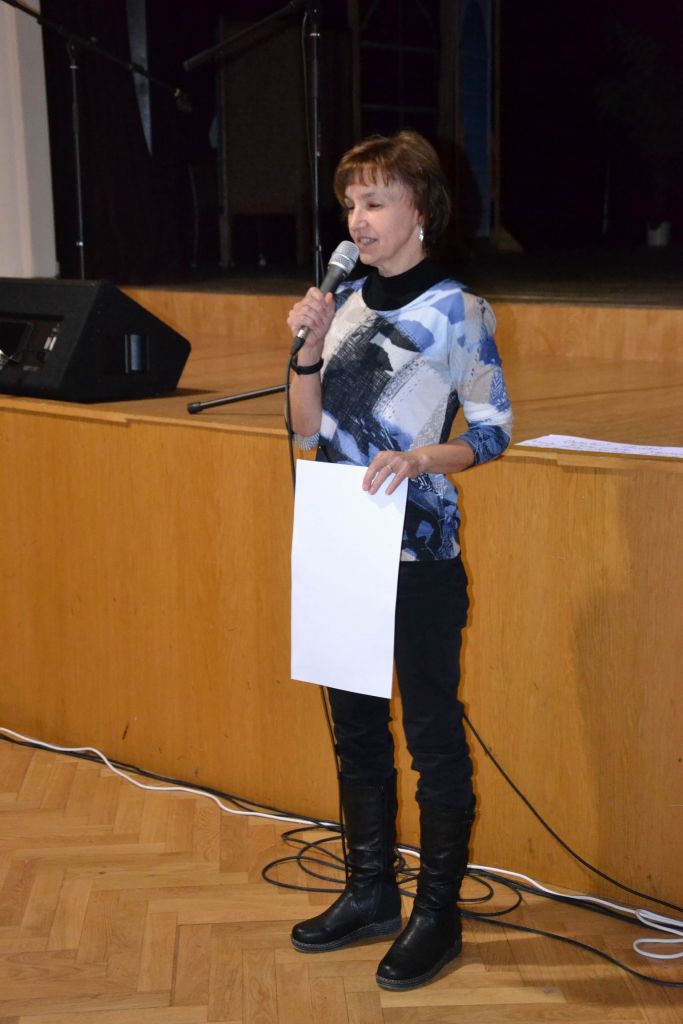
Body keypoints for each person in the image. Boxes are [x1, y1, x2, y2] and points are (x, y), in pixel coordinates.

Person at [286, 130, 513, 991]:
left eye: (375, 200)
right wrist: (307, 346)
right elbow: (304, 427)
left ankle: (437, 914)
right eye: (351, 202)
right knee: (354, 731)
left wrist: (421, 459)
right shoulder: (341, 302)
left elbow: (491, 432)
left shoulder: (459, 311)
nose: (358, 217)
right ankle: (370, 891)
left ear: (420, 210)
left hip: (417, 548)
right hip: (340, 537)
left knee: (430, 736)